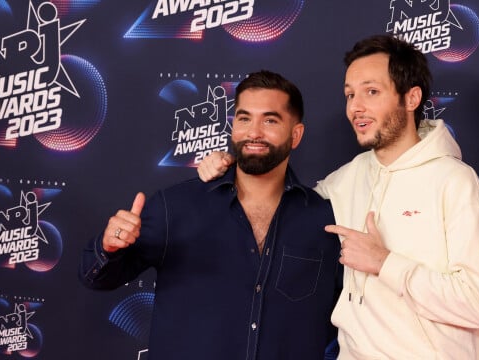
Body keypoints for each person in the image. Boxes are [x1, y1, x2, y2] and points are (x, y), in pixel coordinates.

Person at [197, 35, 479, 359]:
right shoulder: (349, 177)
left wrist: (385, 263)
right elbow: (282, 207)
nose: (356, 107)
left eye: (371, 92)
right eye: (350, 94)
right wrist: (235, 167)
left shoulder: (456, 183)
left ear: (411, 97)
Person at [78, 70, 342, 360]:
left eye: (270, 120)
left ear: (296, 135)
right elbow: (97, 278)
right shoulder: (176, 206)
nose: (254, 132)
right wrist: (109, 248)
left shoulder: (323, 219)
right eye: (244, 118)